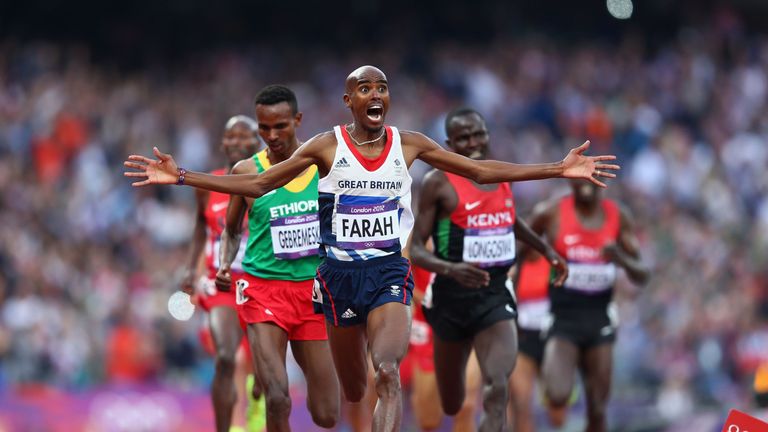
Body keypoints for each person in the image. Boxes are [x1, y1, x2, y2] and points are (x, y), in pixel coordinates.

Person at [123, 65, 619, 432]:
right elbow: (259, 184)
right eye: (365, 89)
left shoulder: (409, 143)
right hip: (337, 278)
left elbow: (481, 170)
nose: (376, 94)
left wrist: (556, 169)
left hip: (388, 272)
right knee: (349, 392)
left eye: (382, 88)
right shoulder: (325, 146)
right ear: (349, 101)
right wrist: (182, 176)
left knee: (387, 373)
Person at [409, 107, 568, 431]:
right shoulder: (437, 183)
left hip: (494, 297)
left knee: (497, 388)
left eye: (478, 134)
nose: (473, 142)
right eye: (463, 138)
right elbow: (414, 250)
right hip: (451, 301)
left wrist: (545, 249)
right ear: (449, 143)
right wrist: (451, 270)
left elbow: (509, 219)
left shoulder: (501, 174)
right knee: (451, 402)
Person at [215, 85, 339, 431]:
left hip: (312, 293)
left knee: (327, 414)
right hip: (262, 290)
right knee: (278, 398)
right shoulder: (244, 172)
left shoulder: (323, 167)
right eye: (264, 128)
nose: (271, 135)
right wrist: (226, 263)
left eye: (280, 126)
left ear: (297, 120)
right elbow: (231, 230)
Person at [532, 179, 649, 432]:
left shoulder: (618, 216)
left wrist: (620, 258)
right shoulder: (551, 212)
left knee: (597, 407)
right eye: (580, 180)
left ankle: (583, 372)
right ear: (570, 182)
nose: (586, 186)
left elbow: (642, 274)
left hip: (599, 319)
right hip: (563, 317)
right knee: (557, 395)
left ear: (603, 183)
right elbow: (522, 244)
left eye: (592, 180)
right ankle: (568, 369)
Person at [179, 115, 263, 432]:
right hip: (222, 283)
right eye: (232, 137)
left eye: (246, 137)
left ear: (259, 143)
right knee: (228, 358)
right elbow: (201, 229)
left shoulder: (271, 182)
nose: (238, 143)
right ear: (222, 143)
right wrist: (190, 270)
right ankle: (229, 427)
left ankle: (258, 399)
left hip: (261, 282)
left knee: (261, 365)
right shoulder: (209, 185)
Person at [408, 262, 481, 432]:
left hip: (463, 322)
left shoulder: (470, 234)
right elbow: (399, 270)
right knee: (429, 421)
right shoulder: (414, 237)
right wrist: (423, 299)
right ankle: (418, 400)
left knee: (466, 405)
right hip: (427, 325)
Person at [507, 250, 568, 432]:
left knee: (558, 415)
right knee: (522, 403)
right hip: (523, 341)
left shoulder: (554, 263)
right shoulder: (515, 264)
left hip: (552, 342)